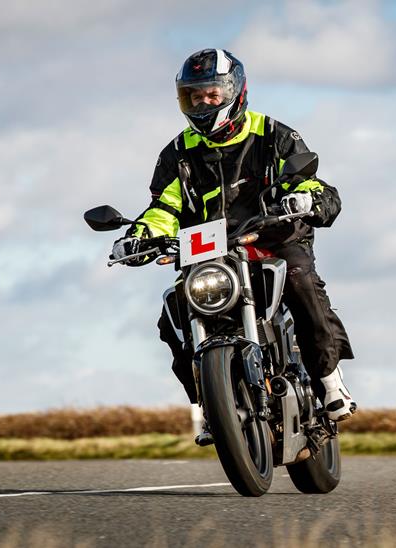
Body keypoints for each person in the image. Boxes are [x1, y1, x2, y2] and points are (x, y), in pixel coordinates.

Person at [110, 49, 356, 444]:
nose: (204, 102)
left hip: (272, 238)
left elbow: (308, 181)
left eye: (212, 94)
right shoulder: (177, 152)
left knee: (299, 279)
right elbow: (166, 206)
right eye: (195, 96)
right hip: (207, 252)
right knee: (173, 315)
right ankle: (211, 407)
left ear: (234, 92)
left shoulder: (273, 133)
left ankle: (329, 381)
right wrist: (140, 235)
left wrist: (306, 199)